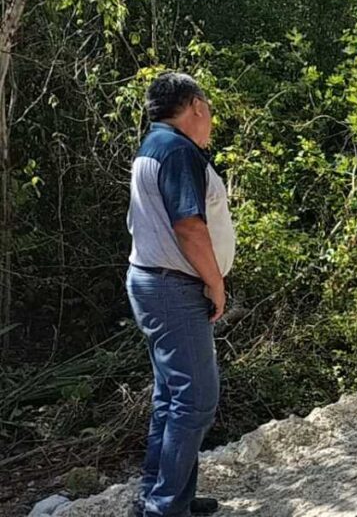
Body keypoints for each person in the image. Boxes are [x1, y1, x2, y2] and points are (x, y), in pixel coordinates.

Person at [127, 72, 235, 516]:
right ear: (195, 105)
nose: (210, 120)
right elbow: (189, 227)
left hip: (156, 283)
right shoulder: (176, 150)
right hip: (173, 287)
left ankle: (163, 498)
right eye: (207, 109)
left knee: (172, 398)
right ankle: (164, 508)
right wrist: (215, 281)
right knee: (195, 399)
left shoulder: (155, 145)